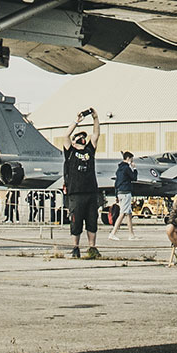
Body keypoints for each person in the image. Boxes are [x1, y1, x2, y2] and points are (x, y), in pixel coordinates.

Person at [59, 111, 103, 259]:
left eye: (84, 137)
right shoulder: (70, 151)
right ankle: (75, 247)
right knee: (76, 222)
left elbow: (96, 135)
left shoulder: (90, 150)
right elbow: (65, 136)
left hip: (90, 192)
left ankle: (92, 247)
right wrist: (76, 121)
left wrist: (95, 118)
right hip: (75, 193)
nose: (82, 139)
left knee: (92, 221)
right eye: (79, 137)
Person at [111, 151, 137, 233]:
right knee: (122, 214)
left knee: (129, 214)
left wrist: (116, 195)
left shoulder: (119, 169)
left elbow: (117, 182)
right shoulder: (126, 168)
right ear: (128, 158)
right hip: (126, 192)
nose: (132, 161)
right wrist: (134, 169)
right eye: (131, 160)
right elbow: (134, 178)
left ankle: (131, 234)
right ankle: (113, 232)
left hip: (120, 192)